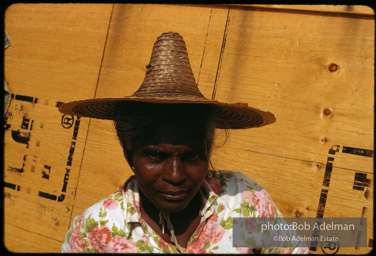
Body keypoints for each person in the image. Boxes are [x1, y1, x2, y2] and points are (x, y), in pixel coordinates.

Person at [59, 32, 308, 254]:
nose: (176, 176)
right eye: (156, 156)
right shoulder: (98, 229)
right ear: (129, 154)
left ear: (207, 151)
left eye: (191, 156)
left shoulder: (241, 201)